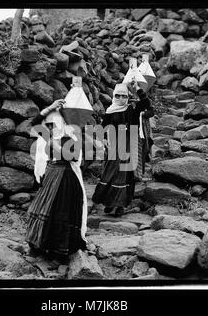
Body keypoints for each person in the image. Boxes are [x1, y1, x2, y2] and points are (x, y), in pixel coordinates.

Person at [25, 99, 88, 263]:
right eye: (51, 123)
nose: (53, 126)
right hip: (51, 173)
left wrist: (54, 145)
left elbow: (73, 157)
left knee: (61, 212)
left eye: (56, 122)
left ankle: (59, 252)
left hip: (66, 177)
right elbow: (33, 124)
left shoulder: (72, 135)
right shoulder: (49, 134)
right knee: (43, 208)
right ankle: (39, 245)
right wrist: (49, 108)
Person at [91, 79, 151, 216]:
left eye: (124, 96)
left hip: (130, 143)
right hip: (114, 143)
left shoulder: (133, 108)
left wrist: (138, 89)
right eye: (118, 95)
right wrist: (103, 139)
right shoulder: (110, 111)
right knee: (111, 172)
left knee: (125, 173)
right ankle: (109, 201)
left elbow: (147, 104)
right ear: (114, 96)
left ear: (128, 96)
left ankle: (120, 206)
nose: (121, 98)